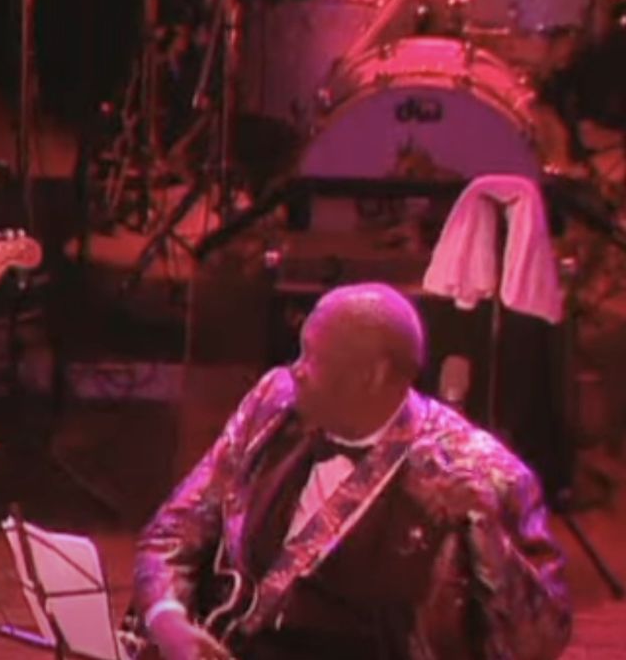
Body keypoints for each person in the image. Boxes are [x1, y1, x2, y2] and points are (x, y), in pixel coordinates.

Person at [123, 283, 572, 660]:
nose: (293, 370)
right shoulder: (274, 400)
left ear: (371, 375)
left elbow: (537, 644)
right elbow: (173, 531)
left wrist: (485, 525)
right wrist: (168, 618)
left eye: (311, 357)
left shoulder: (486, 476)